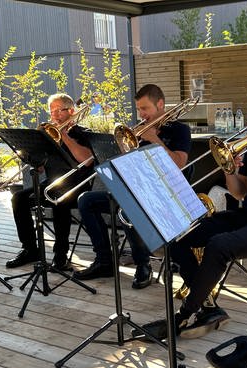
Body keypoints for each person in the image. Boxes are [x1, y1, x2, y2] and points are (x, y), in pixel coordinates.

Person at [136, 73, 247, 339]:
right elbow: (239, 192)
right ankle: (207, 307)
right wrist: (230, 168)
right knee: (178, 235)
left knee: (220, 245)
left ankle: (185, 314)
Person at [73, 84, 192, 289]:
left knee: (127, 209)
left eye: (145, 108)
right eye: (138, 109)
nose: (141, 114)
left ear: (160, 104)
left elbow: (179, 164)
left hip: (163, 195)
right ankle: (104, 260)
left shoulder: (180, 129)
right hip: (136, 189)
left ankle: (142, 265)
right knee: (86, 200)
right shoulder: (137, 131)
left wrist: (154, 139)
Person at [5, 93, 94, 271]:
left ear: (71, 111)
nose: (54, 116)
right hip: (53, 183)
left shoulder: (83, 133)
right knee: (19, 199)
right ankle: (30, 249)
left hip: (78, 185)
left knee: (58, 200)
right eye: (51, 111)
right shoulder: (49, 136)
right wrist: (31, 155)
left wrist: (65, 137)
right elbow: (39, 169)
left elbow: (88, 160)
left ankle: (60, 254)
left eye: (58, 111)